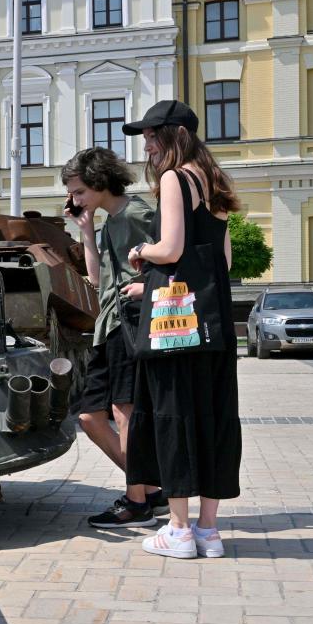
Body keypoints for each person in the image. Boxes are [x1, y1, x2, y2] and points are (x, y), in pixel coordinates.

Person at [122, 100, 242, 559]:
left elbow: (170, 249)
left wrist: (141, 252)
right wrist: (147, 288)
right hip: (214, 322)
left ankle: (178, 529)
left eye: (152, 136)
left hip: (176, 328)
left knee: (173, 418)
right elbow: (222, 262)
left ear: (174, 135)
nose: (147, 146)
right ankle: (209, 531)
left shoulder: (175, 178)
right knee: (213, 418)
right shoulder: (213, 182)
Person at [61, 147, 168, 528]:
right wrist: (86, 231)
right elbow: (96, 280)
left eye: (77, 192)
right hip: (109, 324)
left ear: (100, 182)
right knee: (90, 416)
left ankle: (138, 499)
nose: (73, 200)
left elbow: (168, 263)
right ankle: (153, 489)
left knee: (125, 412)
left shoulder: (137, 214)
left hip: (131, 322)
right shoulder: (111, 222)